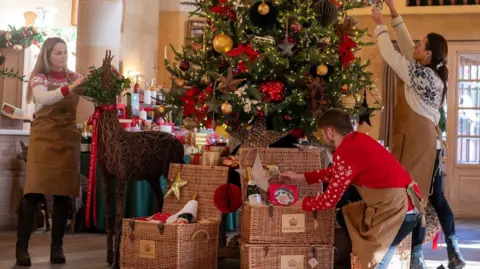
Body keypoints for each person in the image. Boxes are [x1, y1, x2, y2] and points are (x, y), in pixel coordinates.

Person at [372, 1, 465, 268]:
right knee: (432, 199)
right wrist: (393, 11)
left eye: (421, 45)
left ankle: (415, 258)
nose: (415, 46)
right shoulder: (431, 73)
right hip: (430, 146)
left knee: (415, 201)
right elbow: (405, 45)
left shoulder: (422, 76)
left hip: (421, 147)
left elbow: (392, 54)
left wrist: (379, 25)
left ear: (428, 54)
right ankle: (445, 254)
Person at [282, 108, 425, 269]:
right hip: (403, 205)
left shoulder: (346, 150)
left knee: (376, 263)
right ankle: (355, 254)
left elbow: (329, 201)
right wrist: (302, 177)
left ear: (330, 131)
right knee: (346, 214)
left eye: (322, 134)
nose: (323, 138)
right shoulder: (358, 140)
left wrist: (301, 203)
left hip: (398, 211)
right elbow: (336, 172)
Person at [16, 37, 87, 266]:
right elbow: (45, 98)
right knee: (33, 194)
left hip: (66, 138)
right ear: (47, 55)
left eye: (65, 52)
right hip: (44, 138)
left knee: (62, 195)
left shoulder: (74, 77)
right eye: (58, 53)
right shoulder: (39, 79)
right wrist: (71, 87)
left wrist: (107, 78)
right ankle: (22, 248)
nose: (63, 56)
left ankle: (57, 247)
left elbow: (95, 94)